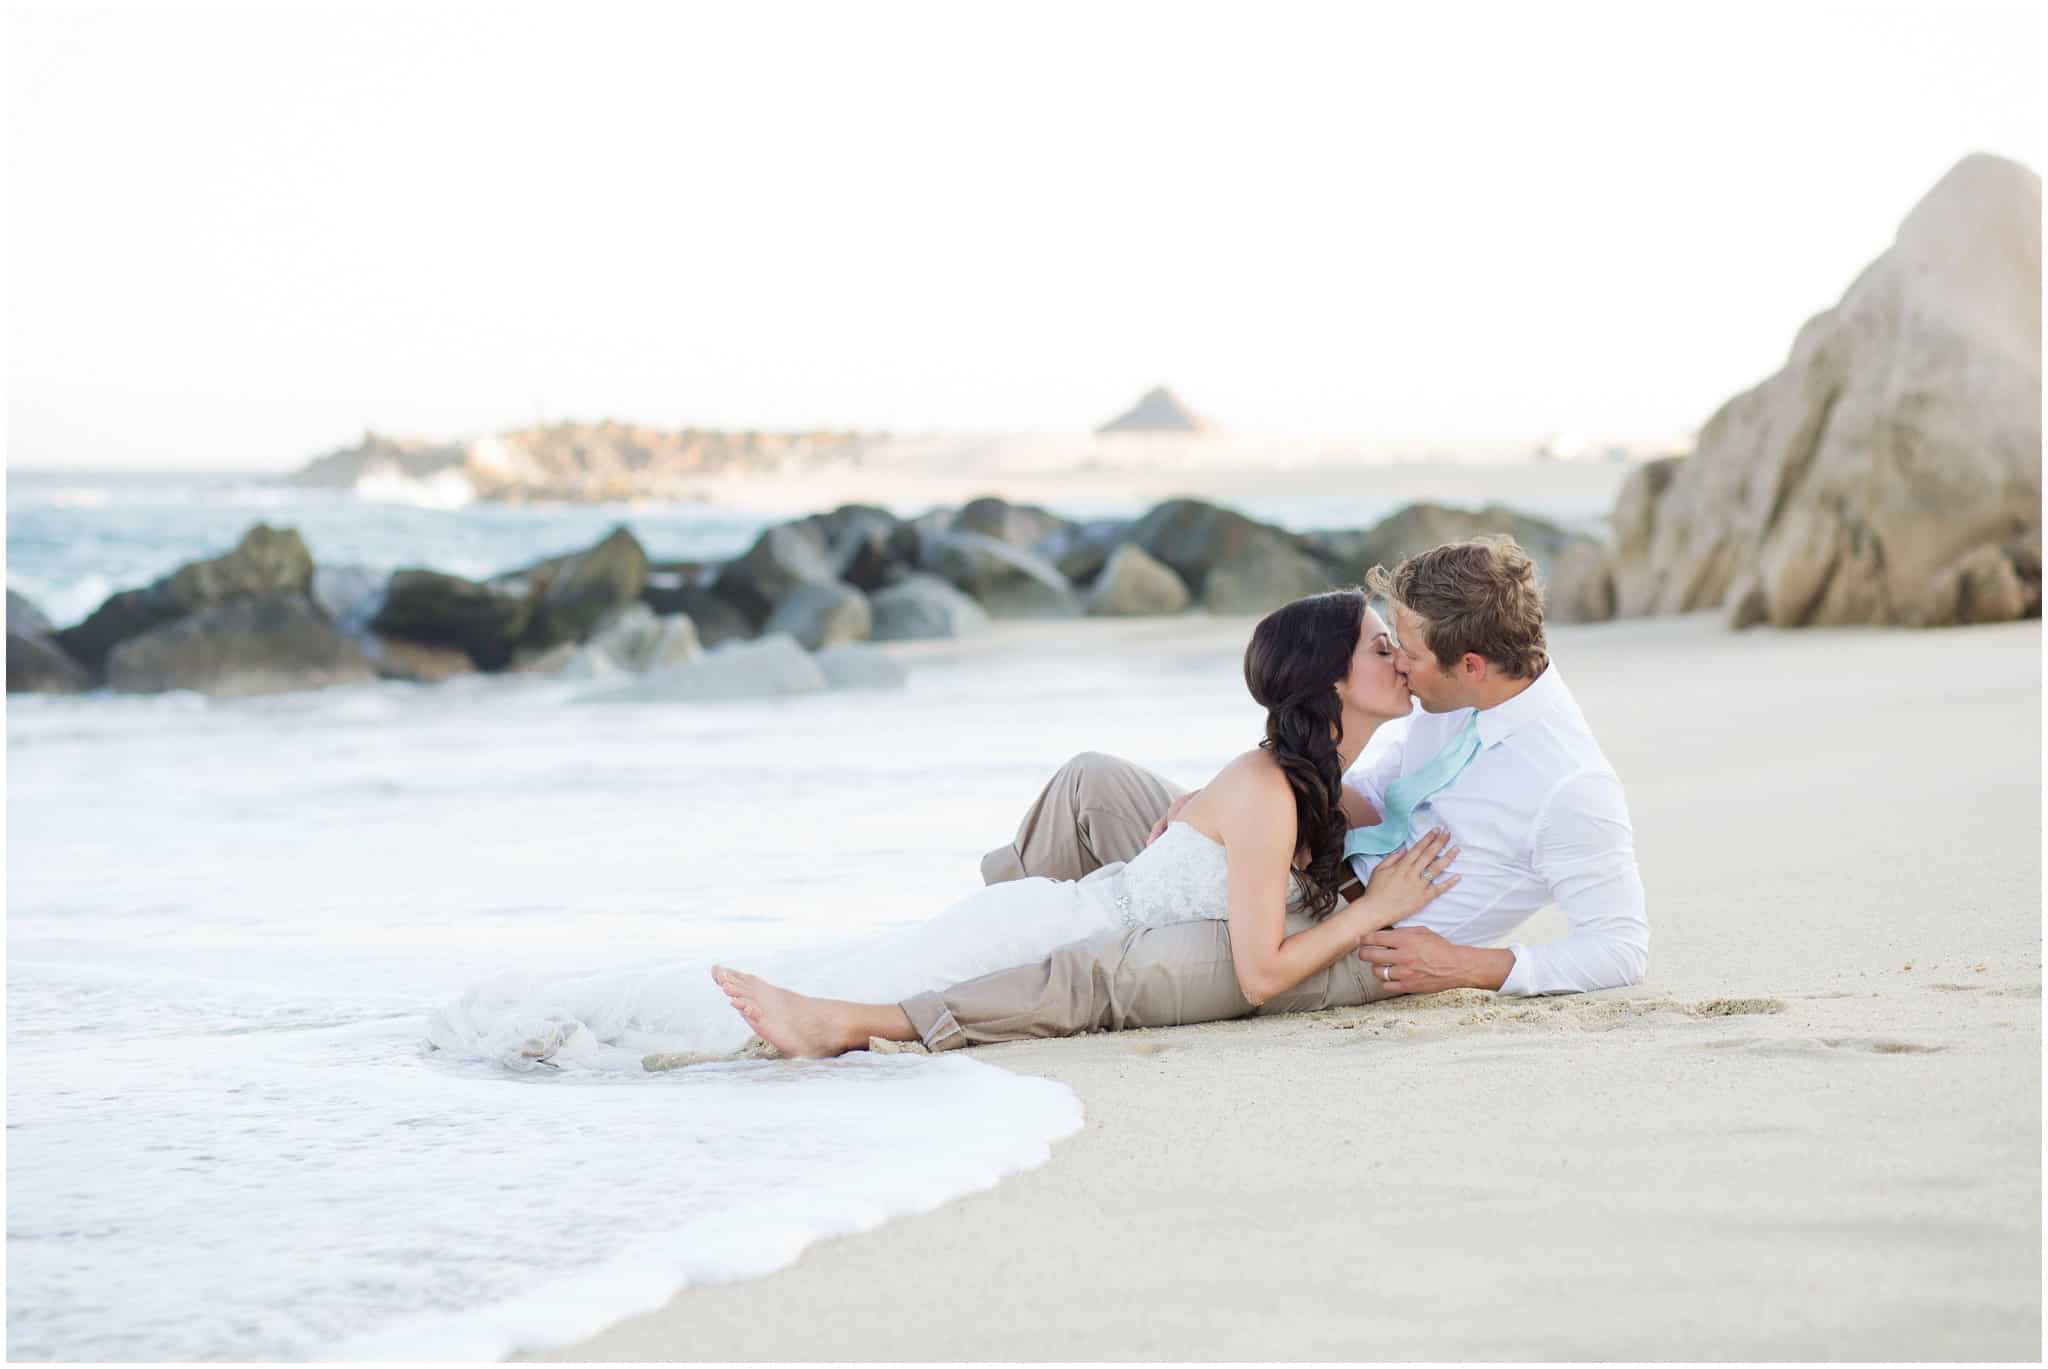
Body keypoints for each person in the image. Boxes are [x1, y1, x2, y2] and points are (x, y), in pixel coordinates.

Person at [714, 535, 1648, 1058]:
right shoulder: (1444, 704)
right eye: (1387, 641)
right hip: (1306, 854)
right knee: (1093, 786)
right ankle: (980, 947)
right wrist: (1230, 798)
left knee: (1111, 971)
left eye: (1407, 647)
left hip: (1367, 942)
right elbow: (1373, 790)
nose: (1396, 659)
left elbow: (1622, 948)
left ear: (1473, 664)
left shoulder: (1571, 786)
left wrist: (1473, 966)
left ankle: (865, 1021)